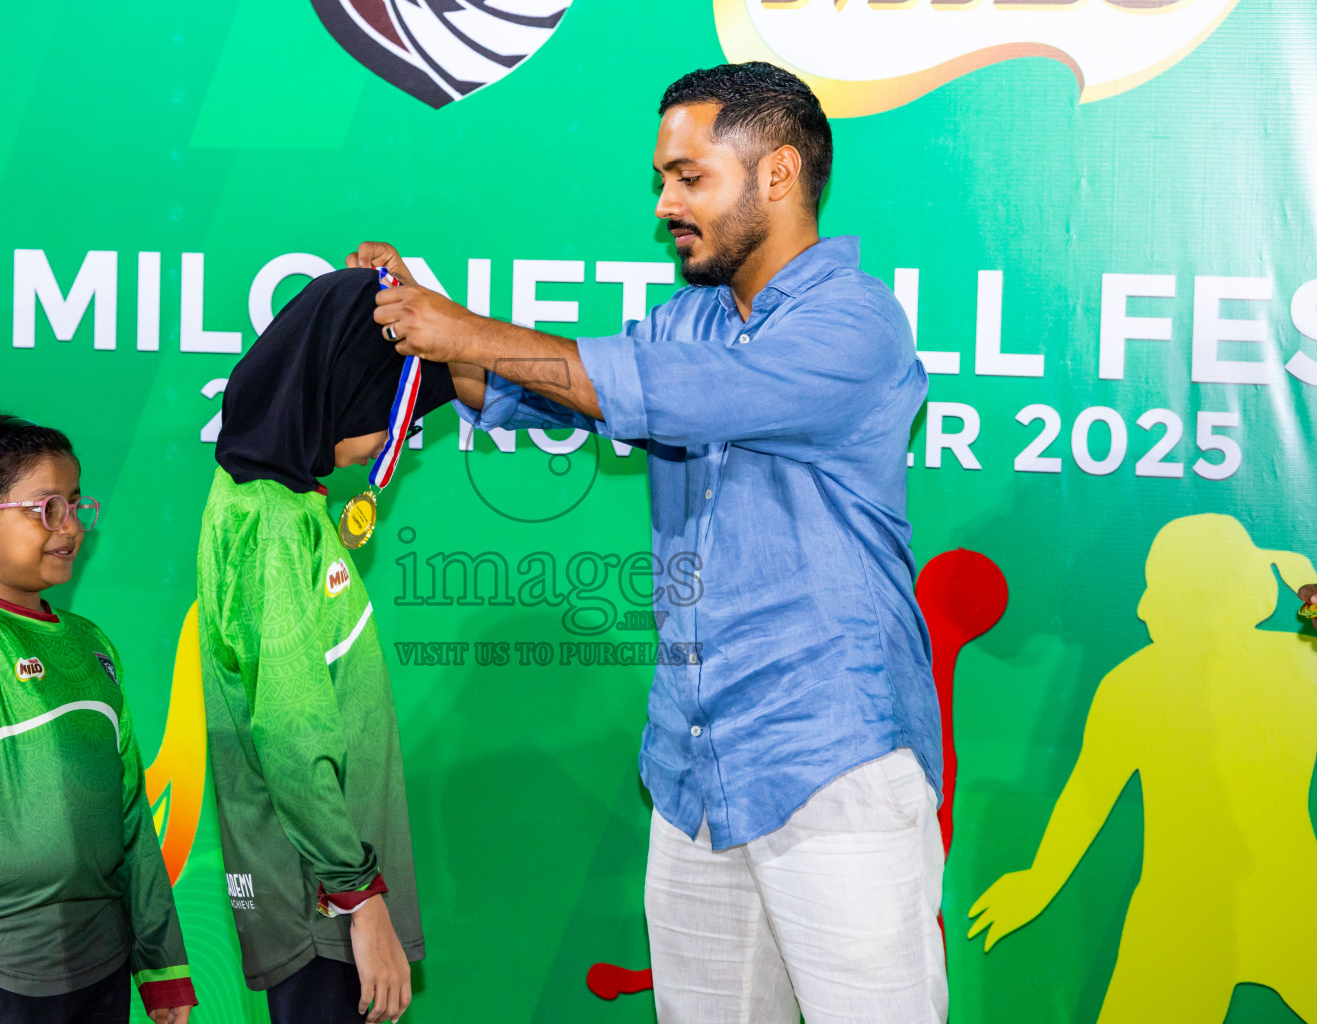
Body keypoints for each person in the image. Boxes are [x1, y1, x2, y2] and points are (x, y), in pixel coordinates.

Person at [352, 61, 944, 1024]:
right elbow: (558, 394)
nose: (666, 202)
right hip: (694, 769)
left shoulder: (856, 324)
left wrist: (461, 328)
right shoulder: (695, 316)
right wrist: (430, 335)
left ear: (780, 175)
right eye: (662, 179)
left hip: (831, 761)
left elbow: (659, 392)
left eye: (690, 177)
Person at [197, 268, 453, 1024]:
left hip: (327, 895)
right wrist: (357, 898)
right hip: (322, 906)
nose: (400, 437)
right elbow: (289, 726)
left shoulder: (282, 502)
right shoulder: (272, 527)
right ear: (339, 395)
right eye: (393, 416)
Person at [0, 414, 196, 1024]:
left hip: (97, 956)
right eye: (46, 508)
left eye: (75, 505)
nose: (70, 527)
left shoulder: (94, 645)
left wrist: (162, 965)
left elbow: (131, 814)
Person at [968, 514, 1317, 1023]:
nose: (1141, 606)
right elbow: (1086, 796)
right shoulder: (1300, 662)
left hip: (1188, 909)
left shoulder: (1132, 684)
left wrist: (1040, 881)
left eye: (1158, 588)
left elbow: (1087, 798)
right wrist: (1307, 586)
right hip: (1275, 896)